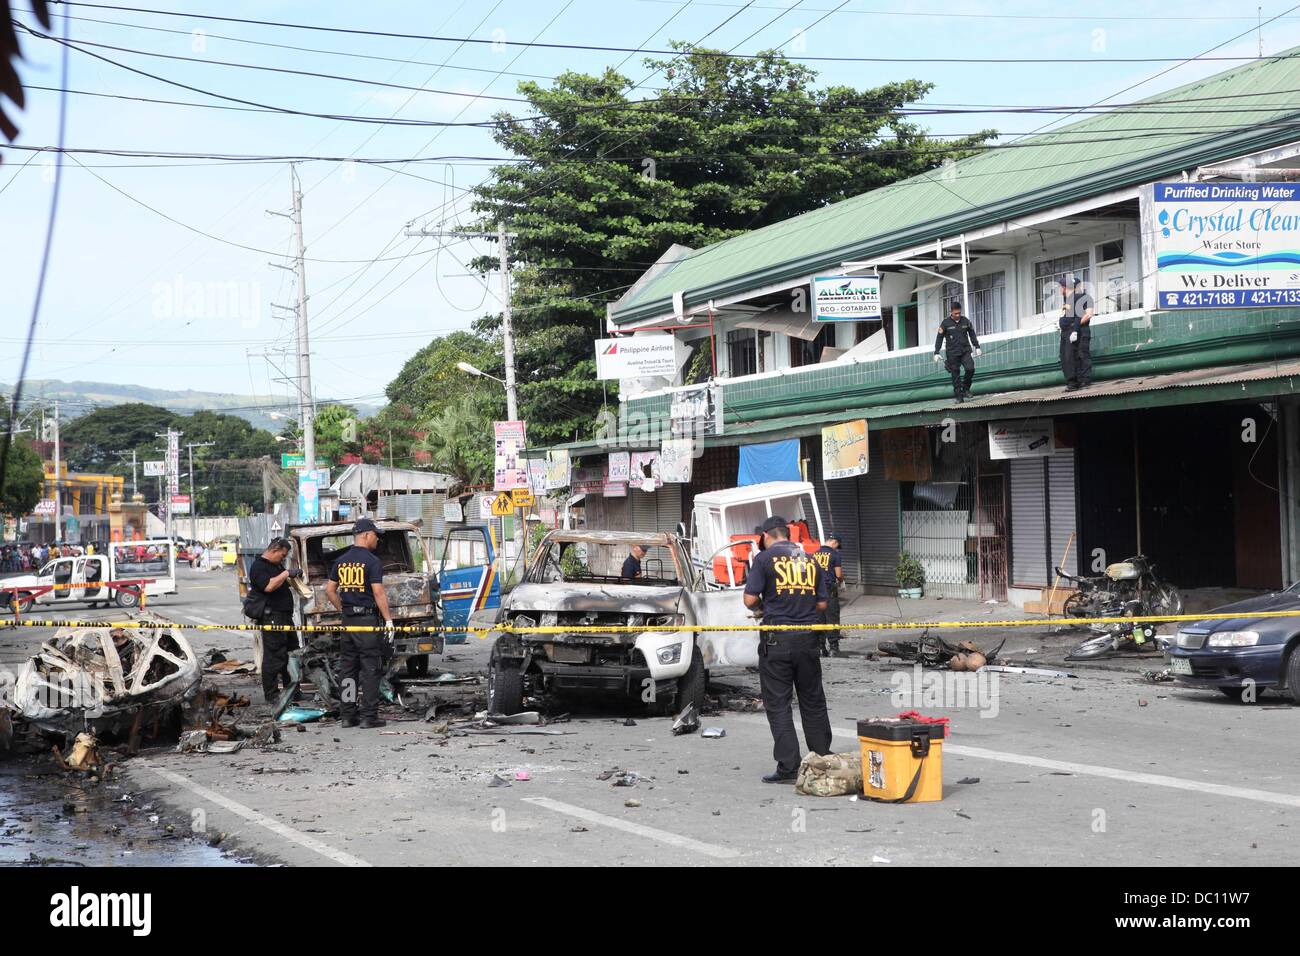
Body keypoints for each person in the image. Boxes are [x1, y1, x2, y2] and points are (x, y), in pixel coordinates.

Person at [743, 515, 832, 784]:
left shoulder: (764, 559)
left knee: (779, 704)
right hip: (808, 640)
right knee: (813, 700)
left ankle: (789, 766)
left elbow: (749, 599)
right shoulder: (809, 558)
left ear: (767, 535)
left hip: (777, 640)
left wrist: (763, 608)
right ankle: (822, 759)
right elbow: (822, 604)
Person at [325, 518, 393, 729]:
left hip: (348, 622)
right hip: (366, 621)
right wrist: (389, 620)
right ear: (366, 535)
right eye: (375, 535)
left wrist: (344, 609)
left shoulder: (341, 561)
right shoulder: (372, 561)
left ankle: (348, 716)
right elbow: (378, 592)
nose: (377, 539)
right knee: (370, 668)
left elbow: (329, 590)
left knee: (348, 668)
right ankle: (369, 717)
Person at [248, 537, 302, 705]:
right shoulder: (258, 567)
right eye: (282, 555)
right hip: (272, 617)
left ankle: (292, 690)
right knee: (274, 656)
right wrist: (286, 573)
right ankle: (272, 695)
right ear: (274, 550)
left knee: (292, 653)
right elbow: (268, 586)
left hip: (285, 616)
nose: (283, 559)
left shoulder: (275, 565)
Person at [933, 302, 982, 402]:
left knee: (970, 369)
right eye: (955, 313)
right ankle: (959, 397)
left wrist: (977, 346)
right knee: (955, 375)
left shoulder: (965, 321)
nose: (958, 315)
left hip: (965, 351)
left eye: (959, 313)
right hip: (952, 353)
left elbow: (972, 333)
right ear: (951, 312)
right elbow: (939, 338)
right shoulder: (945, 323)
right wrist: (936, 352)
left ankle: (966, 388)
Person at [812, 532, 844, 657]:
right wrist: (842, 582)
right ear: (835, 542)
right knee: (832, 618)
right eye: (838, 545)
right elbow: (838, 574)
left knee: (819, 619)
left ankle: (820, 648)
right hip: (829, 590)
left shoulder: (814, 554)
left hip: (816, 590)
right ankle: (833, 649)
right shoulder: (835, 555)